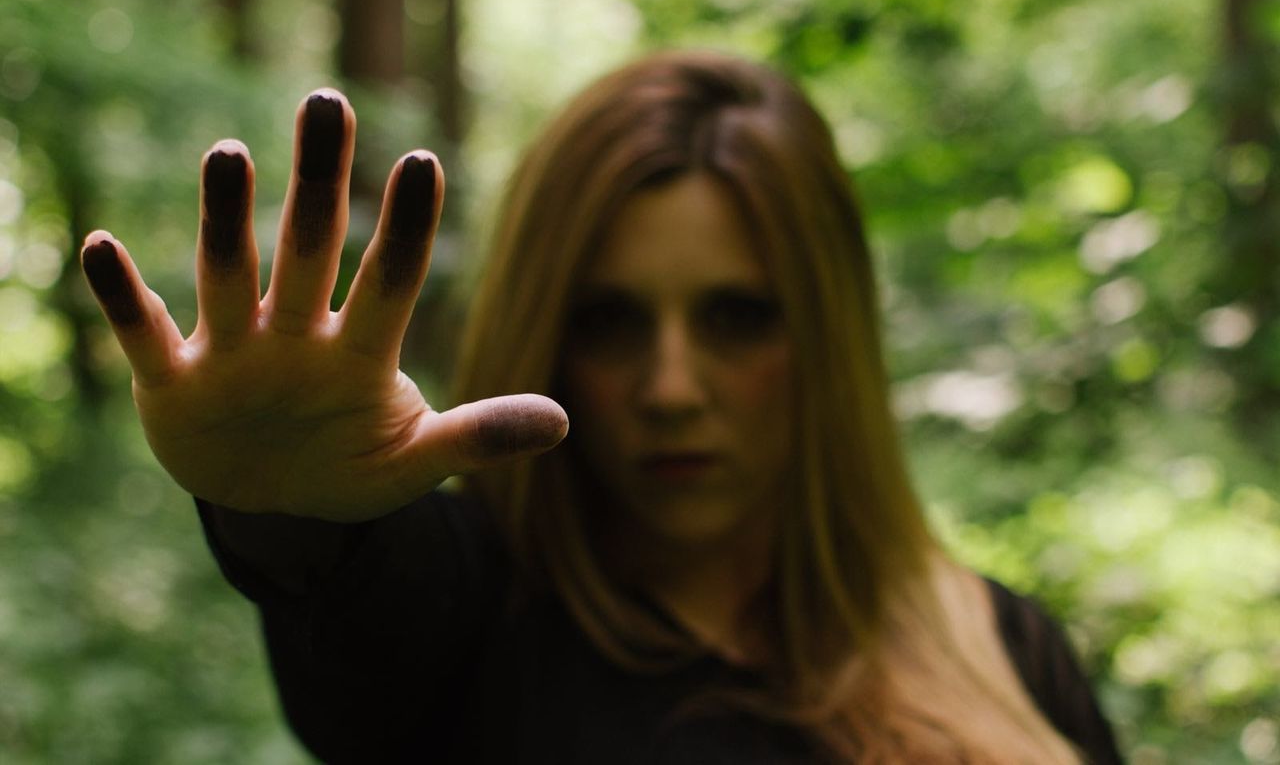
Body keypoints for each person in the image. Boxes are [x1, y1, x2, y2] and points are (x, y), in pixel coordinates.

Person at [80, 51, 1122, 763]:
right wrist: (289, 510)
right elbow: (360, 609)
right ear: (545, 327)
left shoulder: (999, 643)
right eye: (611, 320)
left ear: (826, 339)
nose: (671, 389)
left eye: (737, 316)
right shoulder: (474, 622)